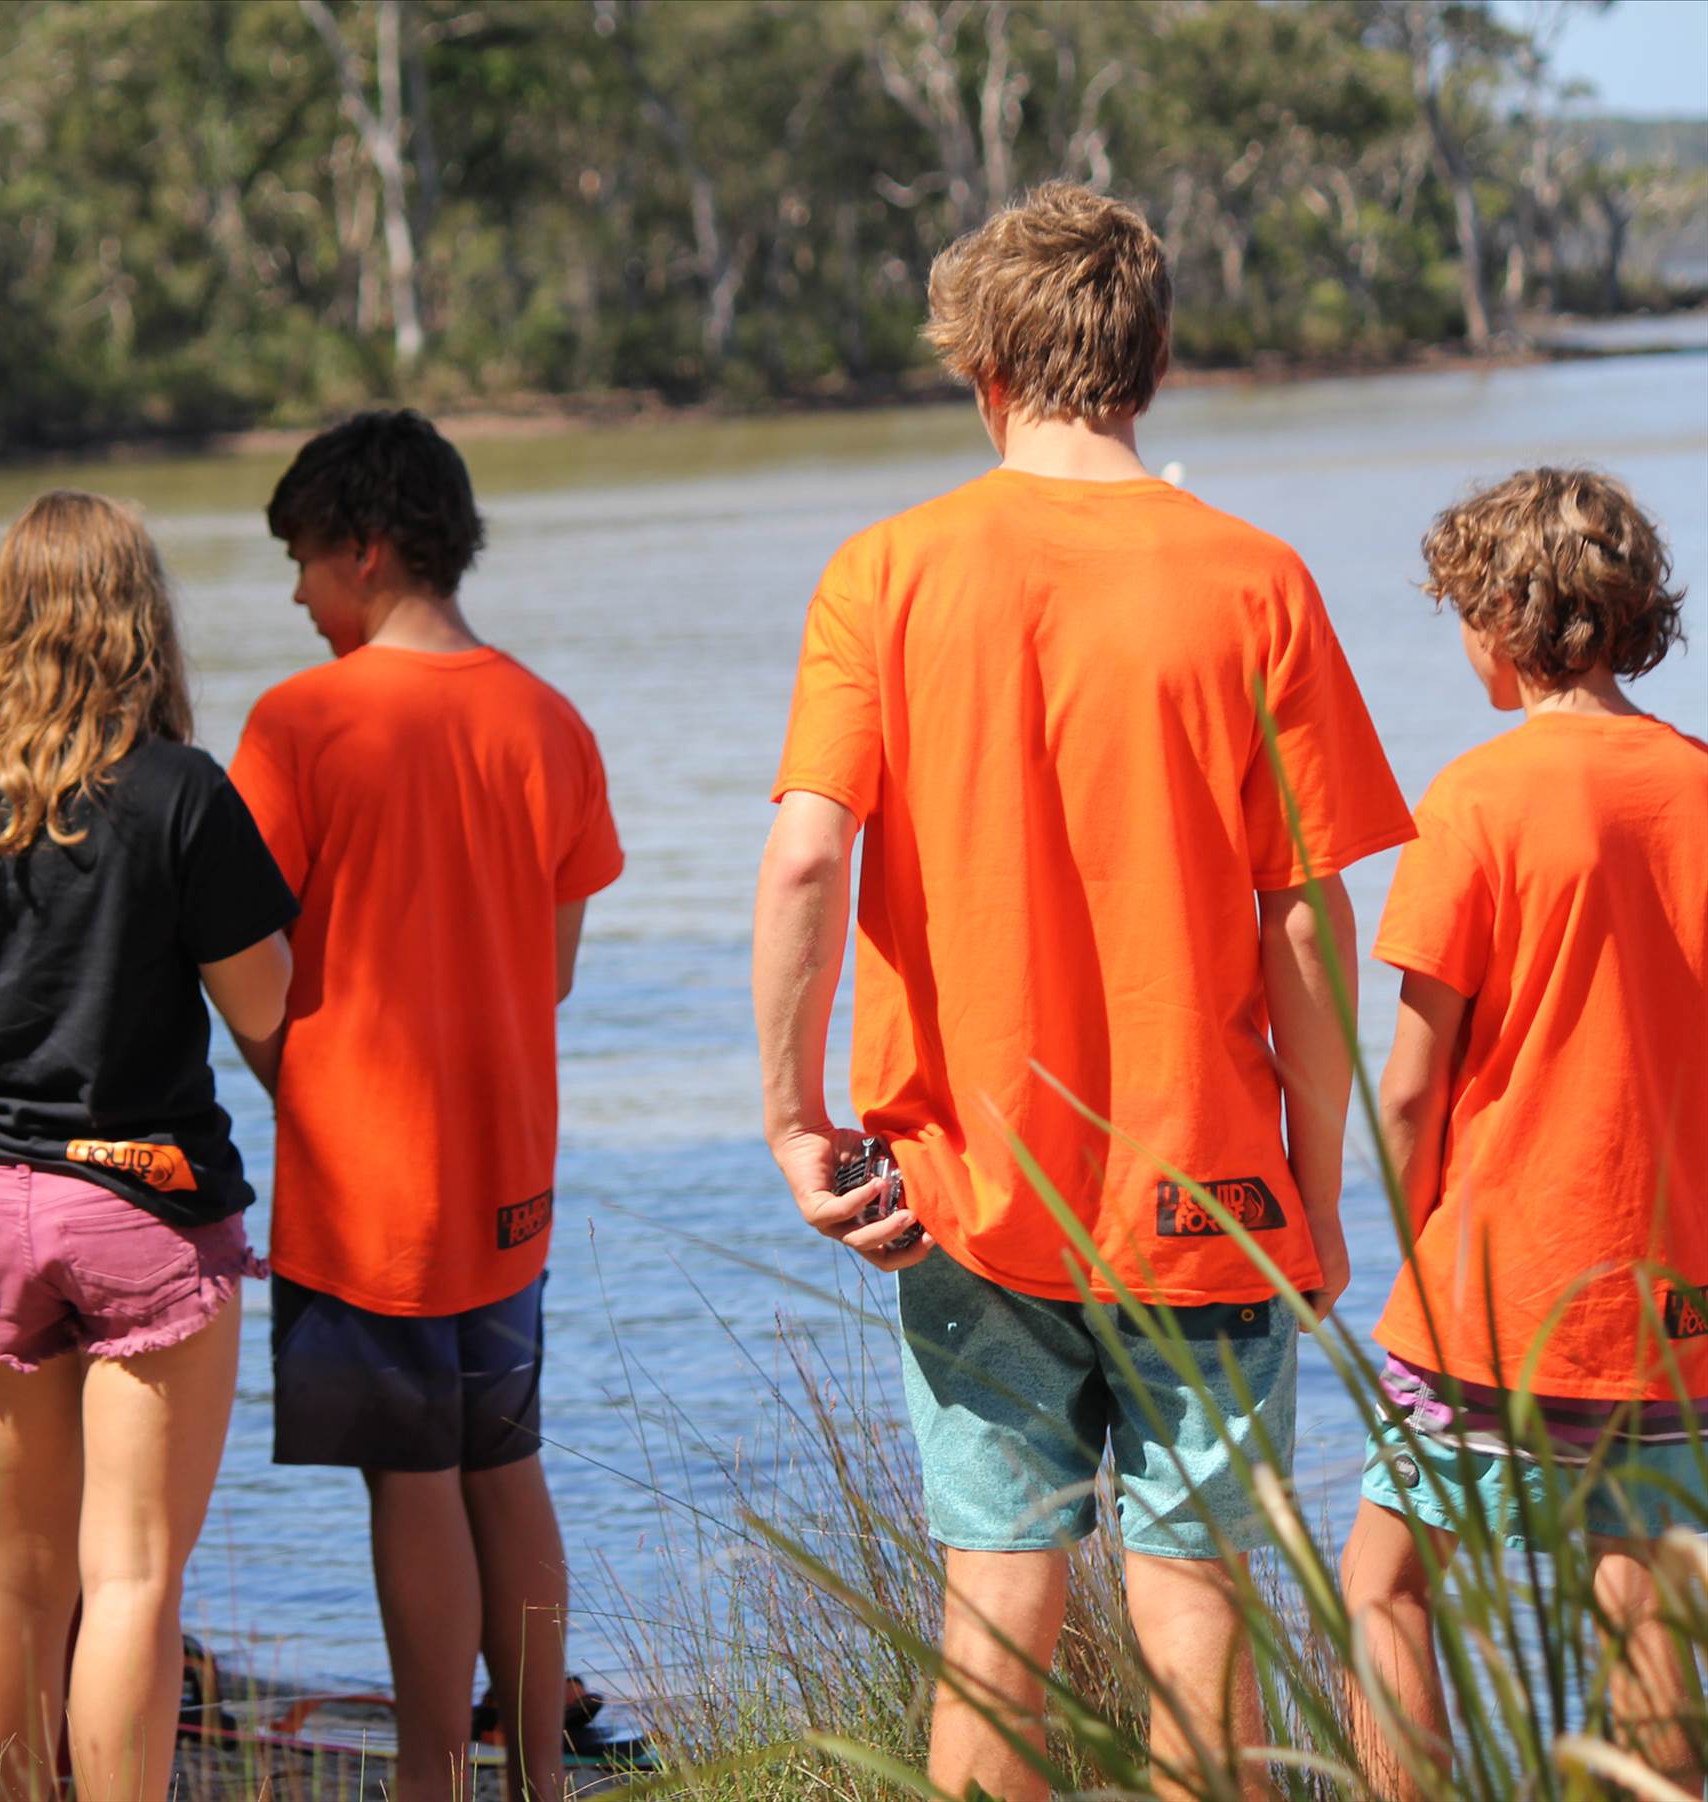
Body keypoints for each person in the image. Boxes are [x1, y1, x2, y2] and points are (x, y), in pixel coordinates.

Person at [752, 184, 1411, 1800]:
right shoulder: (1255, 579)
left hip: (966, 1190)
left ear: (983, 368)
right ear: (1155, 359)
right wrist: (1310, 1186)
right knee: (1199, 1606)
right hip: (1208, 1191)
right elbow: (1310, 923)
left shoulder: (882, 571)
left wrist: (790, 1120)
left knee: (996, 1613)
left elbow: (800, 866)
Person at [0, 491, 296, 1802]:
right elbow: (267, 1011)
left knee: (19, 1573)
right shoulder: (176, 792)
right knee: (132, 1570)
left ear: (5, 614)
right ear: (141, 617)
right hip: (144, 1206)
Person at [229, 410, 625, 1802]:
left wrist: (293, 1077)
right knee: (501, 1461)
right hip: (507, 1168)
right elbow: (556, 967)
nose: (294, 598)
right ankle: (538, 1776)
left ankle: (425, 1782)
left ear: (365, 547)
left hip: (364, 1174)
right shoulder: (548, 718)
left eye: (301, 564)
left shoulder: (299, 721)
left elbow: (236, 945)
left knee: (408, 1479)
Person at [1341, 470, 1703, 1793]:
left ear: (1502, 620)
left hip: (1497, 1289)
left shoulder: (1473, 801)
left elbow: (1406, 1089)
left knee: (1383, 1581)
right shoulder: (1701, 787)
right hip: (1675, 1295)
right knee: (1647, 1592)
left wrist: (1414, 1242)